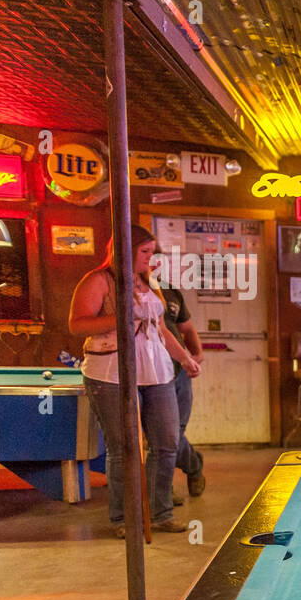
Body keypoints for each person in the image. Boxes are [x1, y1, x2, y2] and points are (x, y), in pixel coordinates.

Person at [69, 225, 202, 537]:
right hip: (111, 374)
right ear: (125, 250)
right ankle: (124, 519)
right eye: (145, 252)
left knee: (167, 443)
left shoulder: (150, 281)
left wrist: (185, 358)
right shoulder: (98, 280)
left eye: (151, 251)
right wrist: (123, 318)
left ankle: (159, 513)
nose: (150, 257)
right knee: (124, 448)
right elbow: (77, 325)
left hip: (157, 372)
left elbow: (161, 328)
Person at [160, 278, 206, 500]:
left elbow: (186, 328)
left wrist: (196, 354)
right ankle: (163, 493)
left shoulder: (170, 291)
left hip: (178, 371)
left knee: (173, 433)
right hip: (151, 373)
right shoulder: (131, 290)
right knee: (162, 435)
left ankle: (193, 467)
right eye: (147, 255)